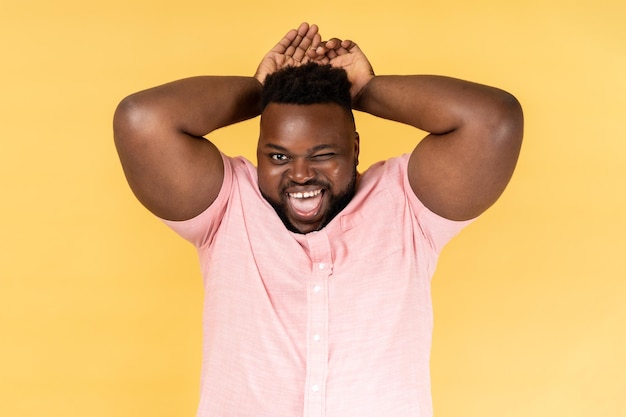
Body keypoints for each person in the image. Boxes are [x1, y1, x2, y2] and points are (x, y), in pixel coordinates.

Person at [113, 22, 523, 417]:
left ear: (355, 148)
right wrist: (260, 92)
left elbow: (493, 120)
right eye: (278, 157)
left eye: (323, 154)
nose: (300, 174)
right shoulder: (227, 206)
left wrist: (366, 91)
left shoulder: (406, 206)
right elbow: (142, 119)